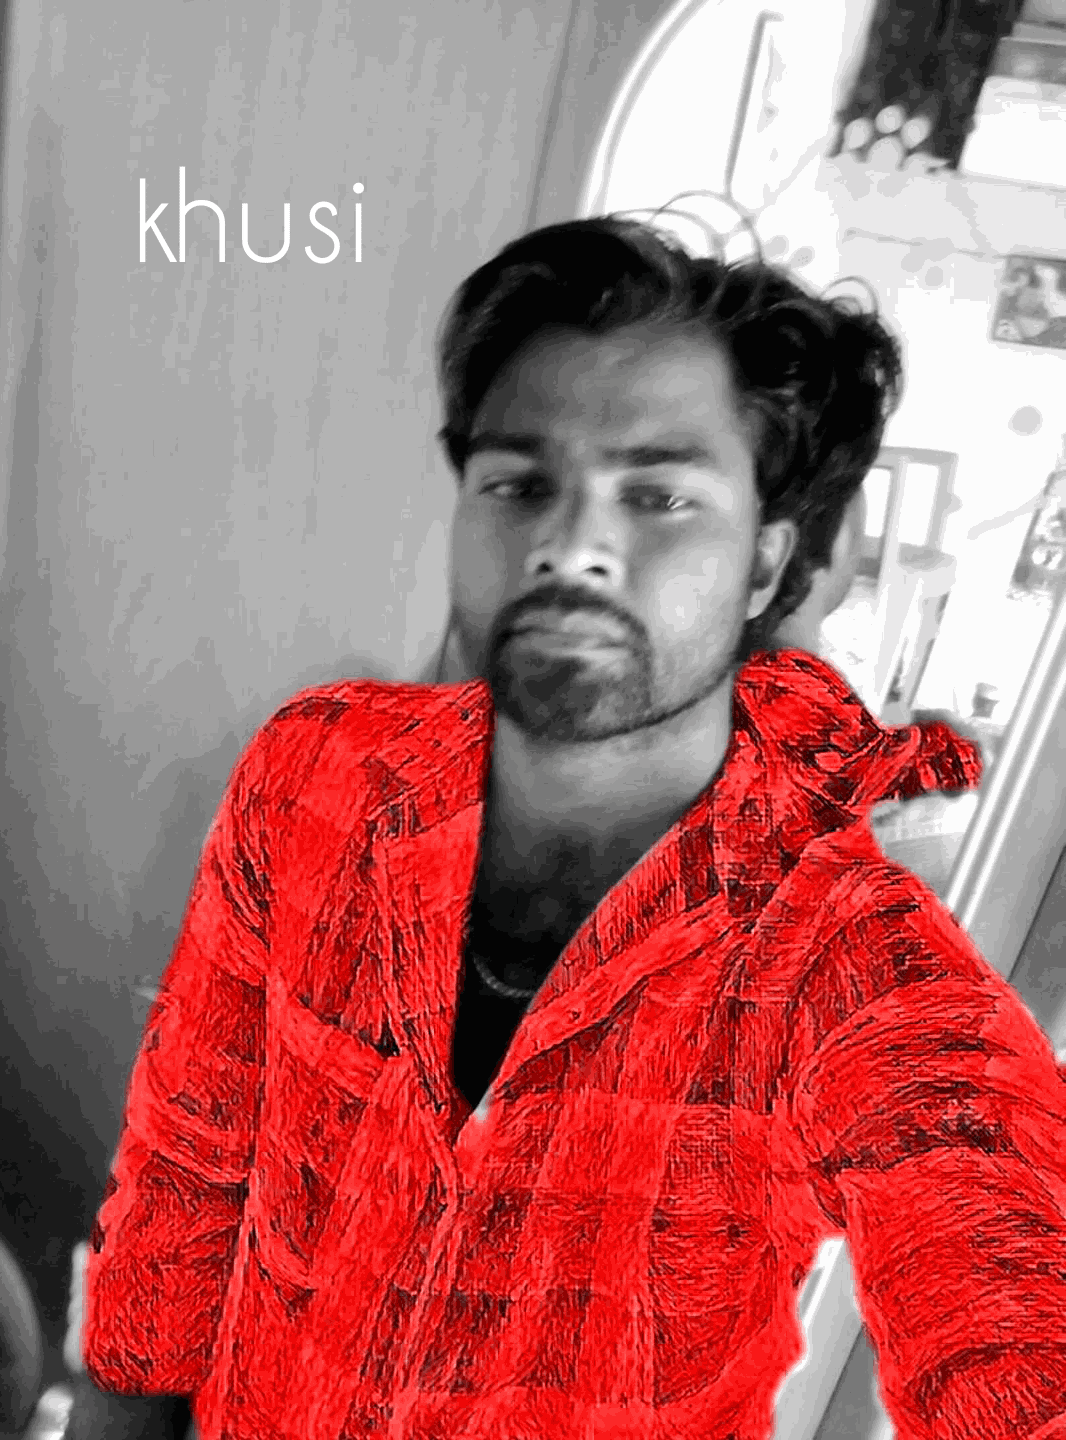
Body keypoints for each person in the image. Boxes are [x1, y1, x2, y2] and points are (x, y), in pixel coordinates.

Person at [79, 216, 1066, 1440]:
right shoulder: (318, 777)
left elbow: (1013, 1324)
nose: (572, 548)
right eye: (520, 485)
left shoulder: (843, 966)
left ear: (770, 565)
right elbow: (185, 1177)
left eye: (657, 496)